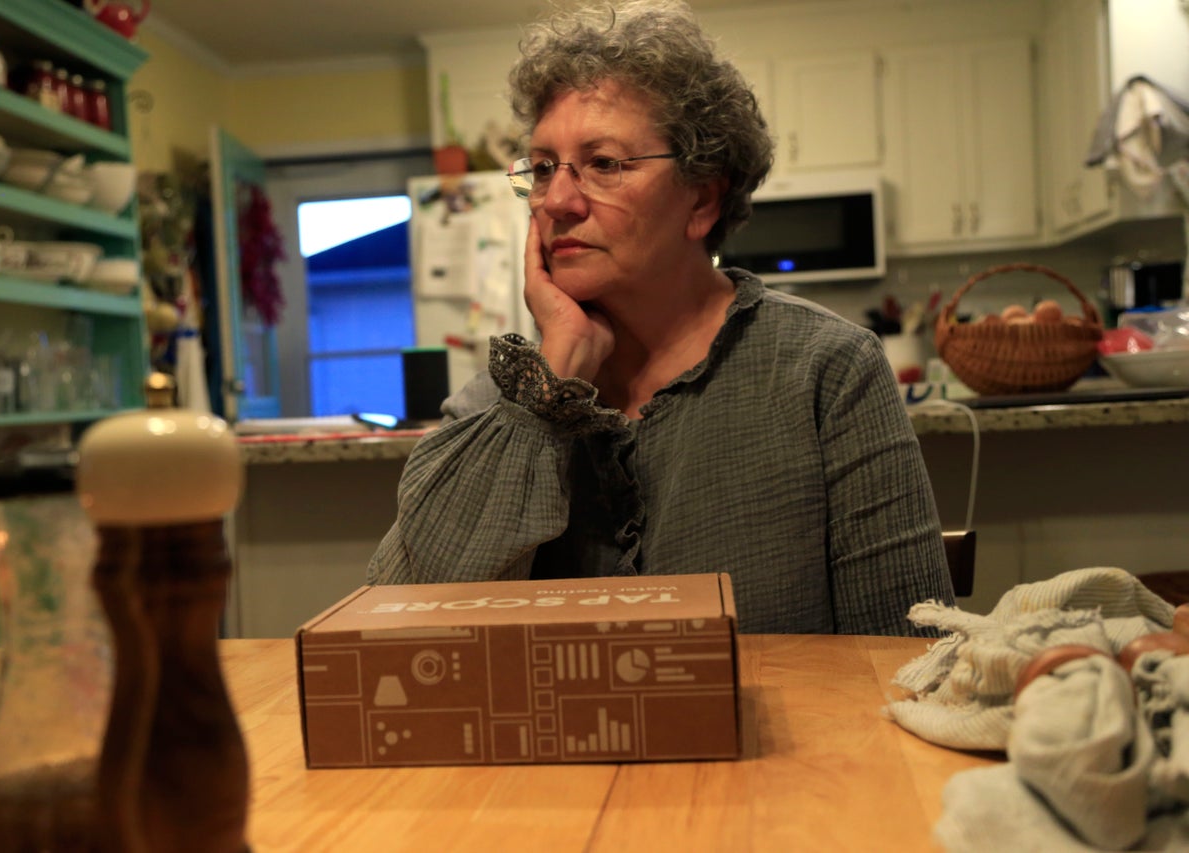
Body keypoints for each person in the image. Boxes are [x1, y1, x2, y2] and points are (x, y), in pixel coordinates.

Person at [368, 0, 954, 635]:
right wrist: (547, 394)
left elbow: (907, 651)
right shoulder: (498, 402)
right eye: (541, 169)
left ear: (702, 198)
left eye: (605, 164)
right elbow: (395, 629)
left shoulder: (825, 370)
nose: (558, 200)